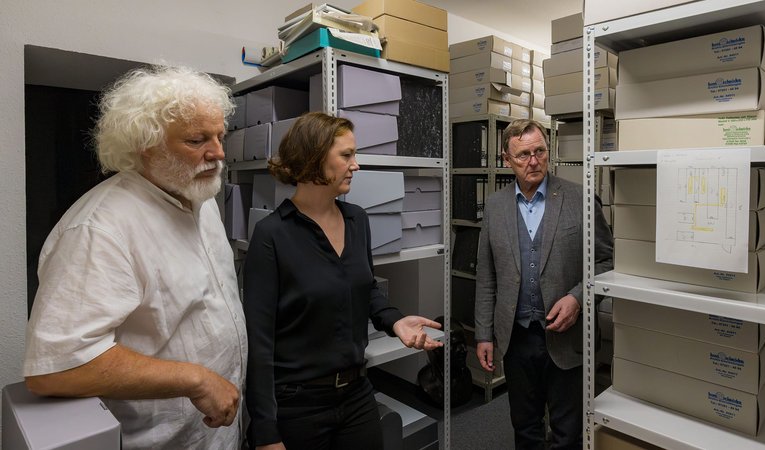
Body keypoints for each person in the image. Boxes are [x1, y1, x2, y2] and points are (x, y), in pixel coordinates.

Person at [23, 65, 247, 449]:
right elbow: (58, 367)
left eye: (219, 136)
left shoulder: (199, 197)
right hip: (160, 441)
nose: (218, 152)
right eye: (197, 140)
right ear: (146, 144)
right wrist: (196, 378)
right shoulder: (100, 228)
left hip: (217, 432)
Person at [244, 111, 443, 450]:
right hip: (298, 405)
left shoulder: (356, 220)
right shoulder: (271, 235)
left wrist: (396, 322)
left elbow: (365, 291)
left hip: (356, 395)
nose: (356, 165)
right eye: (347, 155)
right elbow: (258, 343)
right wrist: (265, 431)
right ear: (314, 157)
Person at [474, 119, 613, 450]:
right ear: (507, 159)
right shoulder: (494, 207)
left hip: (567, 339)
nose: (533, 161)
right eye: (523, 155)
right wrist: (483, 334)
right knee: (525, 428)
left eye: (539, 151)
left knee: (569, 434)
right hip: (516, 338)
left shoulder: (580, 199)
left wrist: (578, 299)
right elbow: (486, 276)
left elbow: (608, 261)